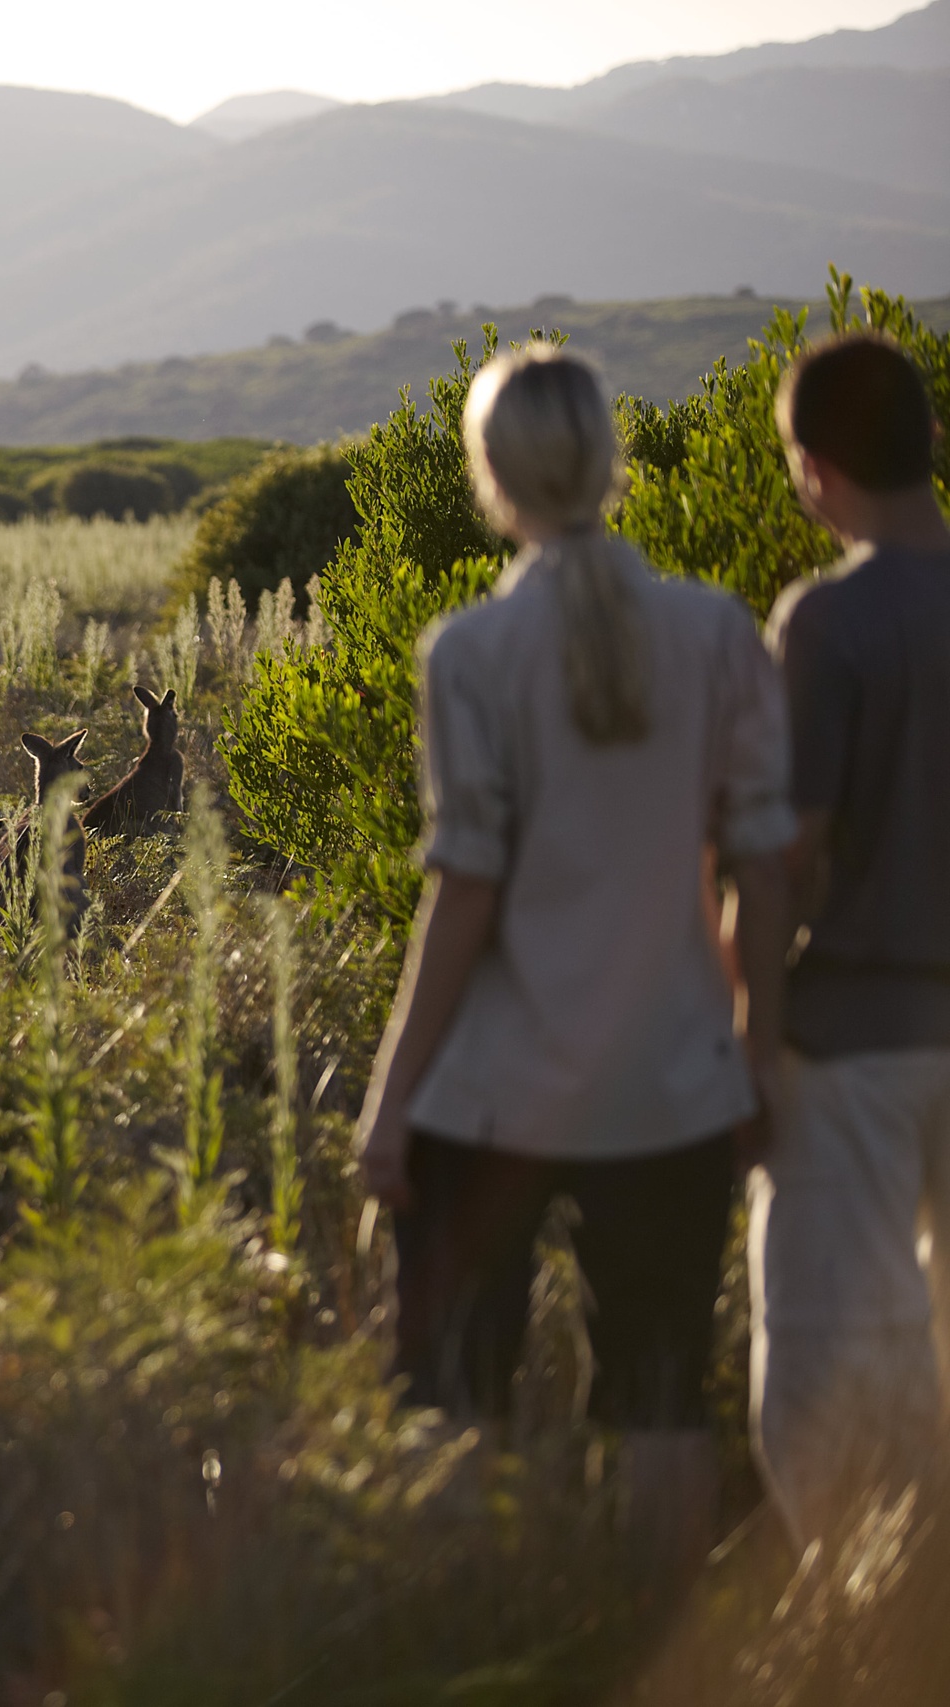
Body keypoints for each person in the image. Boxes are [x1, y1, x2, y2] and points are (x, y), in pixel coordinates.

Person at [356, 345, 795, 1589]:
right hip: (672, 1085)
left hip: (494, 1090)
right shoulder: (713, 630)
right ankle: (646, 1634)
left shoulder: (471, 653)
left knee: (452, 1390)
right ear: (609, 463)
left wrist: (393, 1098)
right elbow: (758, 870)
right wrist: (753, 1060)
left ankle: (468, 1634)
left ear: (489, 475)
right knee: (661, 1391)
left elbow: (466, 894)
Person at [752, 332, 950, 1548]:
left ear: (816, 469)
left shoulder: (827, 623)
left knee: (835, 1357)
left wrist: (750, 1043)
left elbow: (788, 854)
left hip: (857, 1046)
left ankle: (873, 1603)